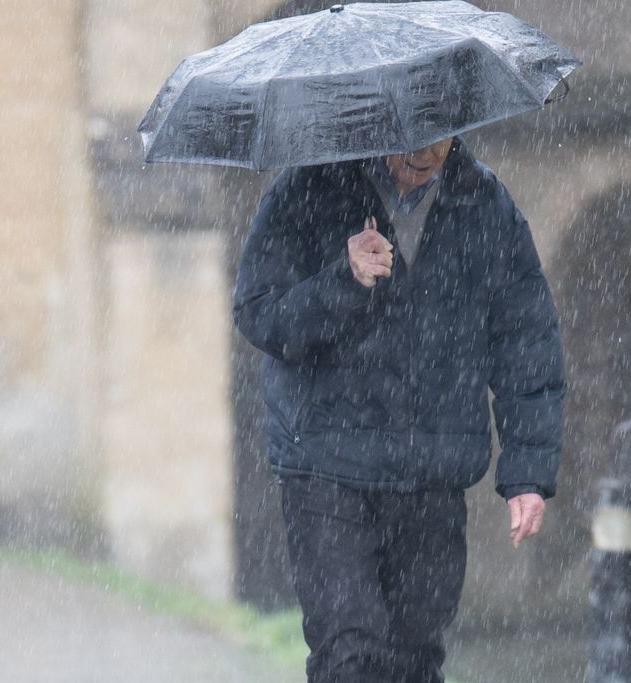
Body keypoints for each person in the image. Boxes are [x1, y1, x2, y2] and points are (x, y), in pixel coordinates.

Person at [235, 136, 565, 682]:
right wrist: (346, 280)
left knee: (415, 658)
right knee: (348, 651)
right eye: (406, 134)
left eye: (436, 132)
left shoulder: (485, 204)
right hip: (326, 462)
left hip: (431, 470)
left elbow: (525, 340)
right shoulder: (307, 188)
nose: (422, 149)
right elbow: (260, 315)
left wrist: (528, 470)